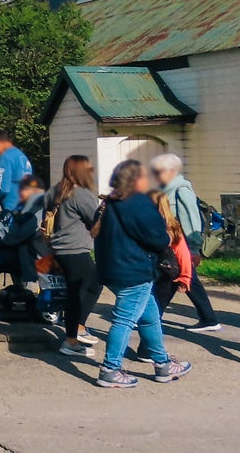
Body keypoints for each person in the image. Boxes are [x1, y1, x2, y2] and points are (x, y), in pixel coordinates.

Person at [92, 159, 192, 389]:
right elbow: (156, 238)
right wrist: (167, 238)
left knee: (149, 317)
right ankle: (110, 369)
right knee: (124, 319)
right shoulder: (138, 202)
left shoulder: (111, 202)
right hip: (133, 271)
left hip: (111, 268)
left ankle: (163, 364)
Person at [150, 153, 223, 332]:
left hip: (181, 244)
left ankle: (153, 317)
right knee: (182, 277)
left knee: (171, 276)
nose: (156, 174)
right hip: (173, 242)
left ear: (172, 171)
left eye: (159, 171)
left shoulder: (181, 189)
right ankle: (209, 319)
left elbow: (191, 220)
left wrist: (194, 248)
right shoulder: (165, 189)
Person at [49, 154, 103, 357]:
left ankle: (76, 328)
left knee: (88, 287)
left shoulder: (59, 190)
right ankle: (72, 337)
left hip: (61, 249)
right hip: (75, 249)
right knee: (80, 294)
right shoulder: (80, 194)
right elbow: (96, 220)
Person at [0, 173, 49, 305]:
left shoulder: (35, 210)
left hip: (32, 254)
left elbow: (14, 235)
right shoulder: (24, 206)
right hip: (20, 248)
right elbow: (6, 221)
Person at [148, 189, 193, 320]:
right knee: (159, 304)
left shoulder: (148, 224)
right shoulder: (173, 225)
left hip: (154, 269)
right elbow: (183, 252)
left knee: (152, 304)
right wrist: (185, 276)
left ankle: (148, 325)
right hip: (170, 270)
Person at [0, 129, 33, 214]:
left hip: (10, 208)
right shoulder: (21, 156)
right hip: (25, 206)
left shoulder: (5, 157)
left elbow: (2, 188)